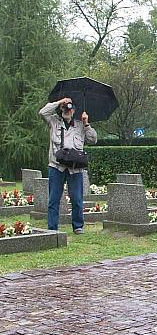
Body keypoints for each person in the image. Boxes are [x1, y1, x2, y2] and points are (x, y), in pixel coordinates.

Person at [39, 98, 97, 233]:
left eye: (69, 109)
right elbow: (42, 112)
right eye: (65, 108)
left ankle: (78, 226)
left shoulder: (80, 125)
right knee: (54, 200)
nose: (67, 111)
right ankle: (52, 228)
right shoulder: (54, 121)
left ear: (74, 111)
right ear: (61, 110)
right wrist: (60, 102)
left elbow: (93, 139)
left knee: (77, 199)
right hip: (56, 166)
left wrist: (86, 124)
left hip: (75, 168)